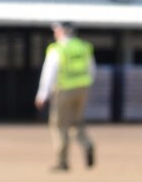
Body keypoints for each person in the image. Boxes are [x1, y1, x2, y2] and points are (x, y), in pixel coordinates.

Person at [35, 21, 96, 172]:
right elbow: (92, 69)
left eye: (56, 30)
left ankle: (61, 162)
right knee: (77, 123)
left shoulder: (58, 49)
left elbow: (49, 73)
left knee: (59, 126)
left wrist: (42, 94)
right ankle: (87, 144)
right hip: (82, 88)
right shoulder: (83, 47)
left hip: (64, 90)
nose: (54, 33)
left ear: (62, 31)